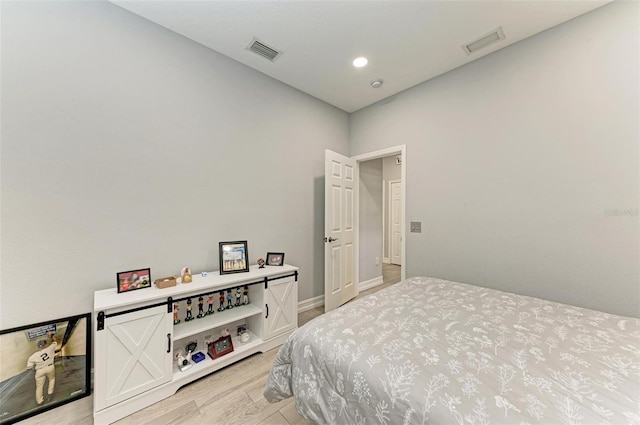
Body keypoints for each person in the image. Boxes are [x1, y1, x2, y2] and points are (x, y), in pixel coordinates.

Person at [26, 332, 57, 405]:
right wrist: (51, 335)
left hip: (39, 371)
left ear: (38, 347)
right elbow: (55, 341)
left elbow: (29, 368)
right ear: (45, 345)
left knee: (39, 386)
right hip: (50, 367)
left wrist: (37, 368)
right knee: (51, 380)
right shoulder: (50, 348)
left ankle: (39, 401)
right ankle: (50, 394)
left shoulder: (33, 356)